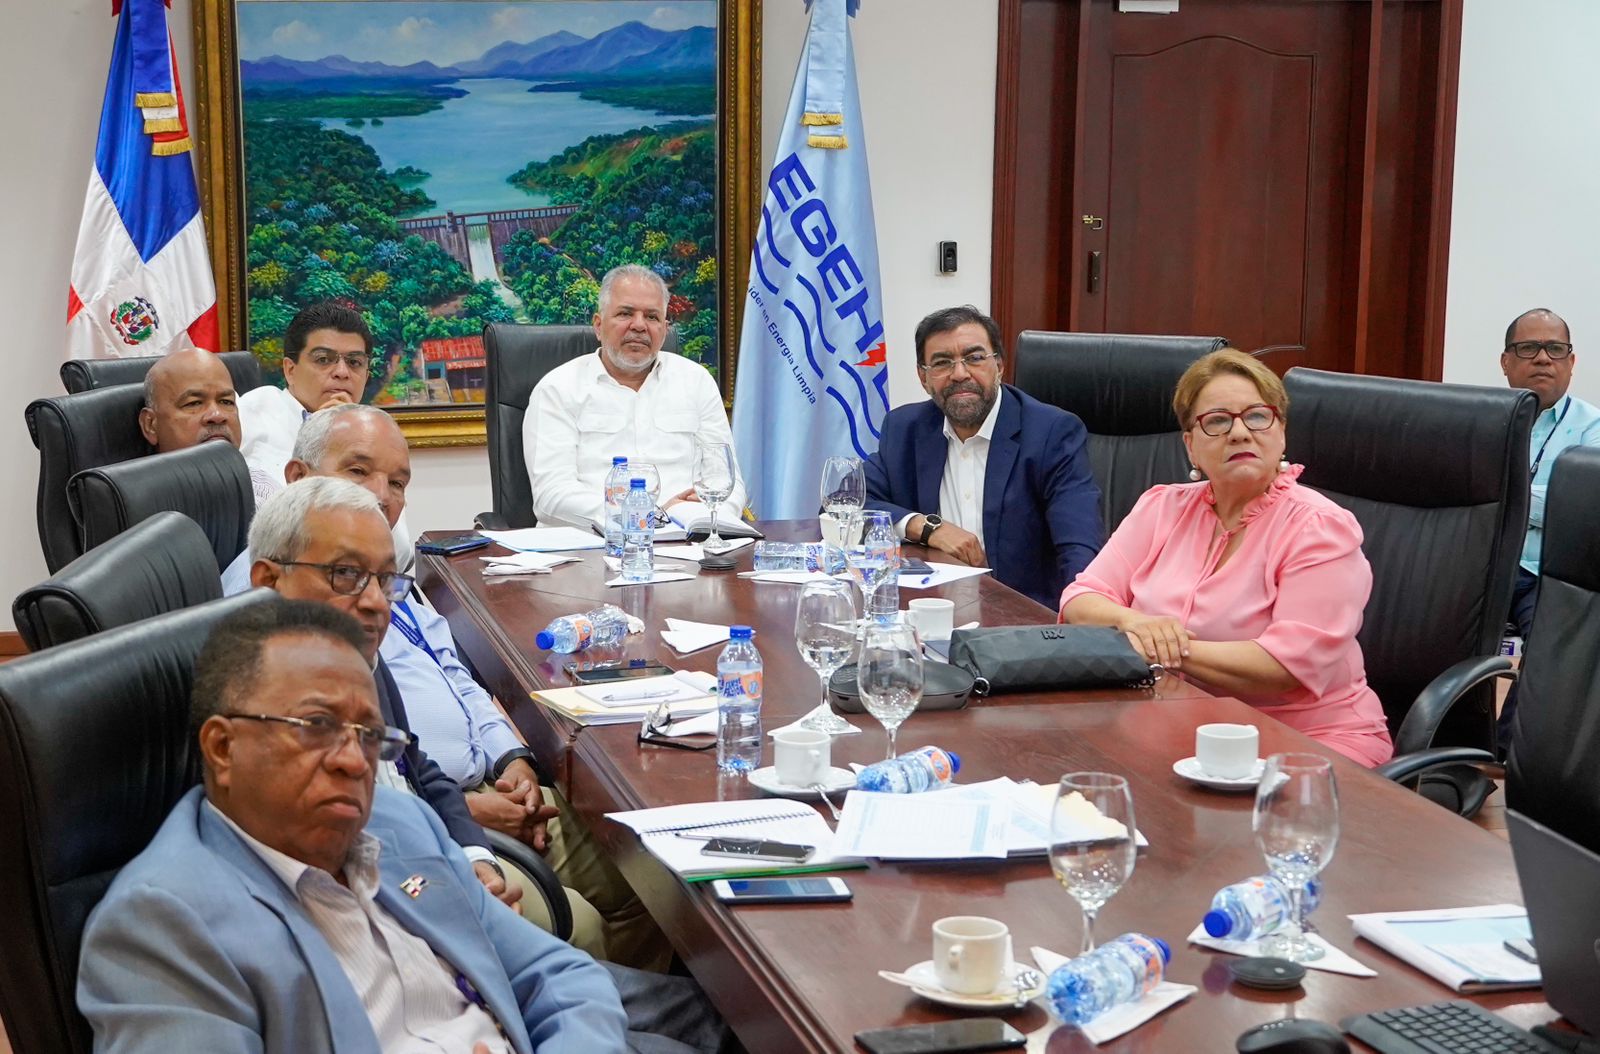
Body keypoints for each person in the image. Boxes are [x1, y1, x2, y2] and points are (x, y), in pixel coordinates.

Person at [76, 598, 731, 1053]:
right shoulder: (161, 925)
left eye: (368, 735)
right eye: (315, 726)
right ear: (221, 748)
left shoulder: (394, 821)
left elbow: (560, 975)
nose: (351, 760)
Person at [224, 406, 662, 968]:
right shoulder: (286, 624)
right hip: (424, 843)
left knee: (647, 872)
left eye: (397, 482)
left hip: (472, 797)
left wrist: (512, 760)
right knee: (581, 923)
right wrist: (469, 825)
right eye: (358, 472)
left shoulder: (374, 587)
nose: (381, 496)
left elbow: (445, 689)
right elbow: (353, 824)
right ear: (297, 477)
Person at [1059, 348, 1394, 767]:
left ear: (1281, 432)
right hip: (1177, 727)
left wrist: (1164, 647)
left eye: (1256, 416)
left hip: (1305, 744)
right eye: (1217, 421)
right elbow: (1081, 598)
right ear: (1191, 446)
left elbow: (1286, 665)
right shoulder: (1161, 507)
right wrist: (1134, 622)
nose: (1239, 433)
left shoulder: (1319, 526)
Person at [863, 305, 1103, 607]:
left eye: (974, 358)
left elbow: (1079, 547)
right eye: (941, 363)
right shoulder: (905, 429)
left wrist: (1079, 620)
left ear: (999, 366)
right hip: (929, 613)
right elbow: (846, 507)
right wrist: (928, 528)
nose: (959, 374)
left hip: (1022, 620)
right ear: (923, 377)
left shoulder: (1052, 433)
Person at [524, 264, 747, 528]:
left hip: (687, 543)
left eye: (652, 317)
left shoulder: (696, 382)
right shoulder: (558, 388)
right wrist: (647, 516)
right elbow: (551, 496)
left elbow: (728, 482)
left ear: (664, 329)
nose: (639, 326)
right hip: (589, 547)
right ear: (598, 325)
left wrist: (715, 509)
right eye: (625, 313)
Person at [237, 302, 414, 565]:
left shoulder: (372, 435)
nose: (342, 373)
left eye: (354, 362)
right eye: (323, 360)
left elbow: (400, 554)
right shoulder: (251, 413)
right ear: (290, 370)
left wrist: (346, 428)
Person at [1497, 308, 1600, 743]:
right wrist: (1543, 493)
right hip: (1479, 563)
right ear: (1506, 362)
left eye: (1555, 349)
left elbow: (1578, 504)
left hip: (1546, 571)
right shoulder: (1480, 417)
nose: (1543, 358)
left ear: (1571, 363)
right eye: (1528, 348)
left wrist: (1506, 496)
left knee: (1553, 650)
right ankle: (1440, 737)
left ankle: (1501, 750)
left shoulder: (1593, 428)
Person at [137, 346, 277, 504]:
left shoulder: (260, 487)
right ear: (150, 425)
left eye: (226, 402)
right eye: (194, 403)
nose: (217, 416)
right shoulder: (134, 507)